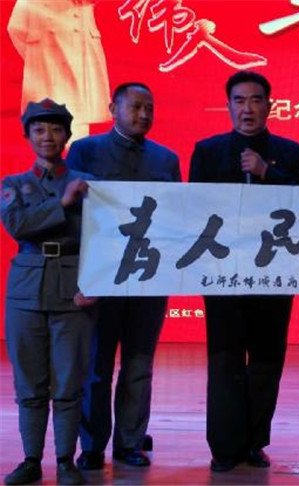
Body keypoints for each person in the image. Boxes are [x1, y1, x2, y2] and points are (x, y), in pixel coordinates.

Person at [188, 71, 299, 472]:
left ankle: (255, 442)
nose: (247, 109)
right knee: (224, 359)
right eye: (239, 100)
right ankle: (225, 448)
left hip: (275, 272)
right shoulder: (207, 152)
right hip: (223, 272)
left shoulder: (290, 153)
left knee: (266, 359)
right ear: (228, 106)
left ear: (269, 106)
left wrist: (266, 173)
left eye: (256, 100)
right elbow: (194, 209)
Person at [66, 82, 181, 469]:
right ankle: (92, 446)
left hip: (149, 278)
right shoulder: (85, 150)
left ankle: (130, 443)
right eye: (135, 107)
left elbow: (177, 215)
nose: (144, 115)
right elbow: (75, 215)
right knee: (95, 367)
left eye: (150, 108)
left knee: (138, 365)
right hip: (101, 276)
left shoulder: (166, 159)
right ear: (113, 108)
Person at [1, 99, 97, 485]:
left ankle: (65, 461)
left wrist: (95, 284)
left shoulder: (87, 183)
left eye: (56, 129)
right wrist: (63, 203)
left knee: (70, 381)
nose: (47, 136)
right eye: (39, 130)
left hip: (74, 289)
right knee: (30, 382)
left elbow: (104, 239)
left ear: (67, 136)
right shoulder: (12, 184)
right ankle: (30, 460)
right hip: (25, 290)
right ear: (27, 136)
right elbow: (17, 225)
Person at [7, 0, 111, 142]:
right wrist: (34, 56)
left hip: (80, 65)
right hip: (49, 70)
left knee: (77, 127)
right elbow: (16, 27)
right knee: (49, 124)